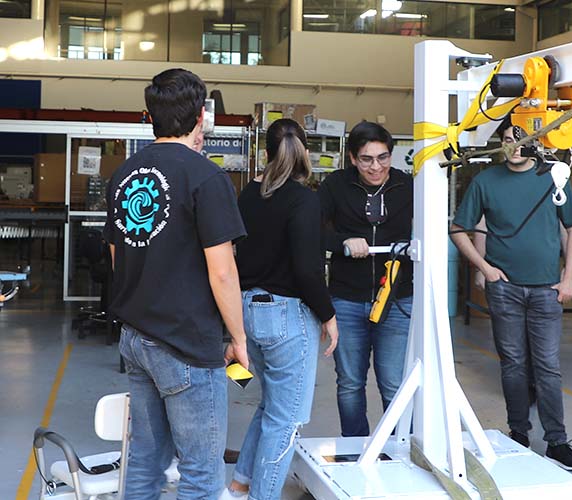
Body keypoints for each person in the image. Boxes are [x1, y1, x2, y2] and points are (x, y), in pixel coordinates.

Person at [104, 68, 249, 499]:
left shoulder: (124, 175)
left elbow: (117, 256)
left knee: (144, 463)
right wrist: (238, 338)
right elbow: (222, 270)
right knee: (201, 474)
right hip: (186, 342)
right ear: (201, 117)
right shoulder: (206, 177)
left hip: (136, 337)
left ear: (150, 117)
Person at [449, 117, 572, 472]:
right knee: (512, 363)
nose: (514, 145)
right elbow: (459, 229)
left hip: (547, 290)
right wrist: (484, 267)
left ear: (537, 142)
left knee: (547, 367)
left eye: (522, 138)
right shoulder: (485, 181)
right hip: (505, 288)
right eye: (508, 138)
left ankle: (556, 441)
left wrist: (569, 277)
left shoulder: (553, 177)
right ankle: (519, 433)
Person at [221, 119, 339, 500]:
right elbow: (307, 271)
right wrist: (329, 315)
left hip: (247, 312)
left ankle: (241, 482)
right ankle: (263, 495)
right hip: (286, 316)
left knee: (271, 407)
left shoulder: (247, 197)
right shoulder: (304, 200)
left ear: (266, 152)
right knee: (287, 421)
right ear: (305, 150)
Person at [318, 121, 413, 437]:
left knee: (393, 382)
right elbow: (313, 232)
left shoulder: (408, 186)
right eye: (367, 159)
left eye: (383, 157)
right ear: (352, 159)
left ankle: (399, 449)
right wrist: (342, 241)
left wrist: (410, 245)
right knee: (350, 382)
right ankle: (355, 450)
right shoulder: (335, 185)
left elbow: (430, 230)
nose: (376, 167)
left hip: (396, 300)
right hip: (347, 299)